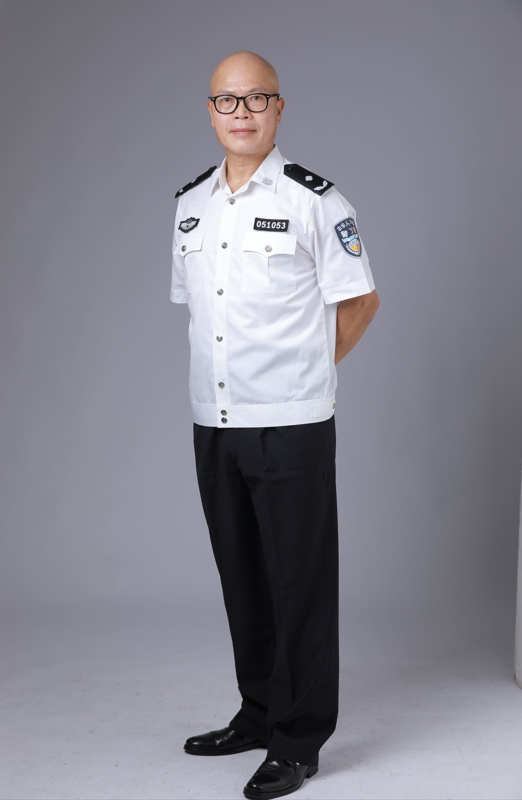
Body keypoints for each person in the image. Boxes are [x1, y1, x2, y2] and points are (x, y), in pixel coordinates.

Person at [170, 50, 380, 799]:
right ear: (210, 113)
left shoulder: (316, 201)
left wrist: (307, 373)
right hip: (214, 420)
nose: (242, 112)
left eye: (257, 98)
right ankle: (258, 712)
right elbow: (203, 314)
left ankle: (298, 739)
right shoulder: (190, 205)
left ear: (279, 108)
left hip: (290, 423)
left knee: (299, 585)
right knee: (244, 579)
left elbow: (361, 303)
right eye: (228, 101)